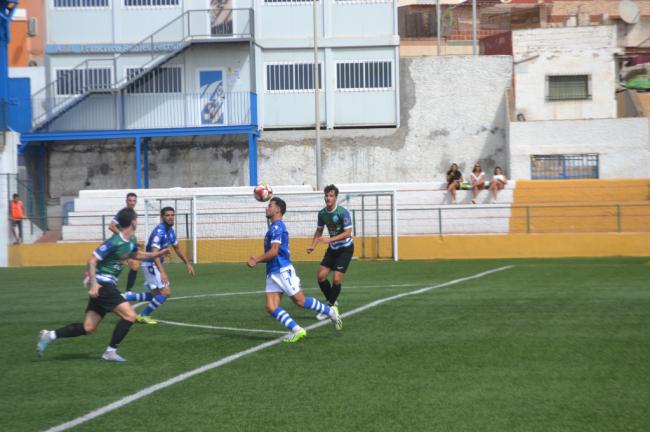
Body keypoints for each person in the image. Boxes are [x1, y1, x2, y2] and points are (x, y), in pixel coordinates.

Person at [36, 207, 170, 362]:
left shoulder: (131, 240)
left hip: (105, 287)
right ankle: (110, 352)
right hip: (103, 285)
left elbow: (136, 255)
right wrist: (94, 285)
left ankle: (49, 335)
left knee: (88, 328)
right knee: (130, 316)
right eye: (136, 219)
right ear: (133, 222)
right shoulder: (114, 241)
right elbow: (92, 260)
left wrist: (158, 254)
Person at [247, 197, 342, 343]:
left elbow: (274, 251)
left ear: (278, 209)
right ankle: (297, 330)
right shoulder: (273, 227)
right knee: (271, 307)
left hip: (283, 270)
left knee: (300, 301)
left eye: (270, 205)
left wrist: (256, 259)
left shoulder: (278, 226)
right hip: (273, 271)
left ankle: (331, 312)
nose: (267, 208)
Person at [124, 206, 195, 324]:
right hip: (151, 264)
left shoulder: (170, 231)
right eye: (167, 215)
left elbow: (177, 248)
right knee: (166, 293)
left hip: (153, 265)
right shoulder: (159, 232)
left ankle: (126, 298)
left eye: (172, 215)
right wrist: (162, 272)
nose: (171, 217)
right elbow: (154, 253)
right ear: (162, 217)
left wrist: (187, 263)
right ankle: (143, 315)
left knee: (155, 295)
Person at [306, 184, 354, 321]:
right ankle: (332, 299)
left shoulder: (342, 213)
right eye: (326, 195)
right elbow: (319, 231)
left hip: (345, 249)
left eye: (331, 196)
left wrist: (330, 239)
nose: (328, 198)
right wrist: (313, 245)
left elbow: (348, 233)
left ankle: (330, 306)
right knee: (321, 276)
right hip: (332, 249)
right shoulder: (322, 214)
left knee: (336, 279)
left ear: (336, 198)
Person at [108, 193, 140, 292]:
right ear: (126, 201)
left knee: (135, 266)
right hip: (120, 245)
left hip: (128, 245)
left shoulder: (134, 215)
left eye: (134, 200)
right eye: (130, 200)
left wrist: (134, 242)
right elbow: (111, 226)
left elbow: (130, 231)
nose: (132, 203)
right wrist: (122, 237)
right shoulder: (122, 214)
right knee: (116, 268)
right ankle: (108, 288)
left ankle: (128, 291)